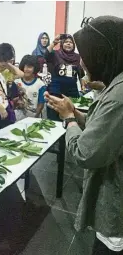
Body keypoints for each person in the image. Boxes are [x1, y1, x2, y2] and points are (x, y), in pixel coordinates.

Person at [44, 15, 123, 255]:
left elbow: (85, 153)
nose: (84, 64)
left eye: (86, 56)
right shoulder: (117, 84)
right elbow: (106, 129)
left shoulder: (119, 95)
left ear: (102, 54)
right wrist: (76, 113)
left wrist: (68, 119)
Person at [45, 34, 84, 121]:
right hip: (56, 90)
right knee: (54, 118)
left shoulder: (77, 57)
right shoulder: (56, 54)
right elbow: (46, 55)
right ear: (62, 44)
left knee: (73, 115)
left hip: (72, 91)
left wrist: (82, 85)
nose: (68, 44)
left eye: (71, 42)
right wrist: (54, 43)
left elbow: (80, 73)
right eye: (66, 42)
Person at [12, 55, 46, 120]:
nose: (26, 69)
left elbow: (41, 103)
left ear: (35, 68)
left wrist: (35, 117)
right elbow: (12, 101)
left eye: (29, 67)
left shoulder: (40, 84)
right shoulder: (16, 82)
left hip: (34, 118)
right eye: (24, 66)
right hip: (18, 118)